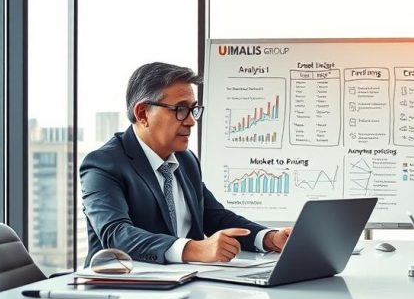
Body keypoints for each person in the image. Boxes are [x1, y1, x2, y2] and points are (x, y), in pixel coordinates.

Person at [80, 62, 291, 265]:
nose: (191, 121)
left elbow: (214, 217)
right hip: (123, 289)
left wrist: (269, 238)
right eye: (180, 109)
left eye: (193, 109)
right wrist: (194, 249)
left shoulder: (185, 159)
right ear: (143, 113)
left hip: (185, 284)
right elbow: (116, 235)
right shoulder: (103, 164)